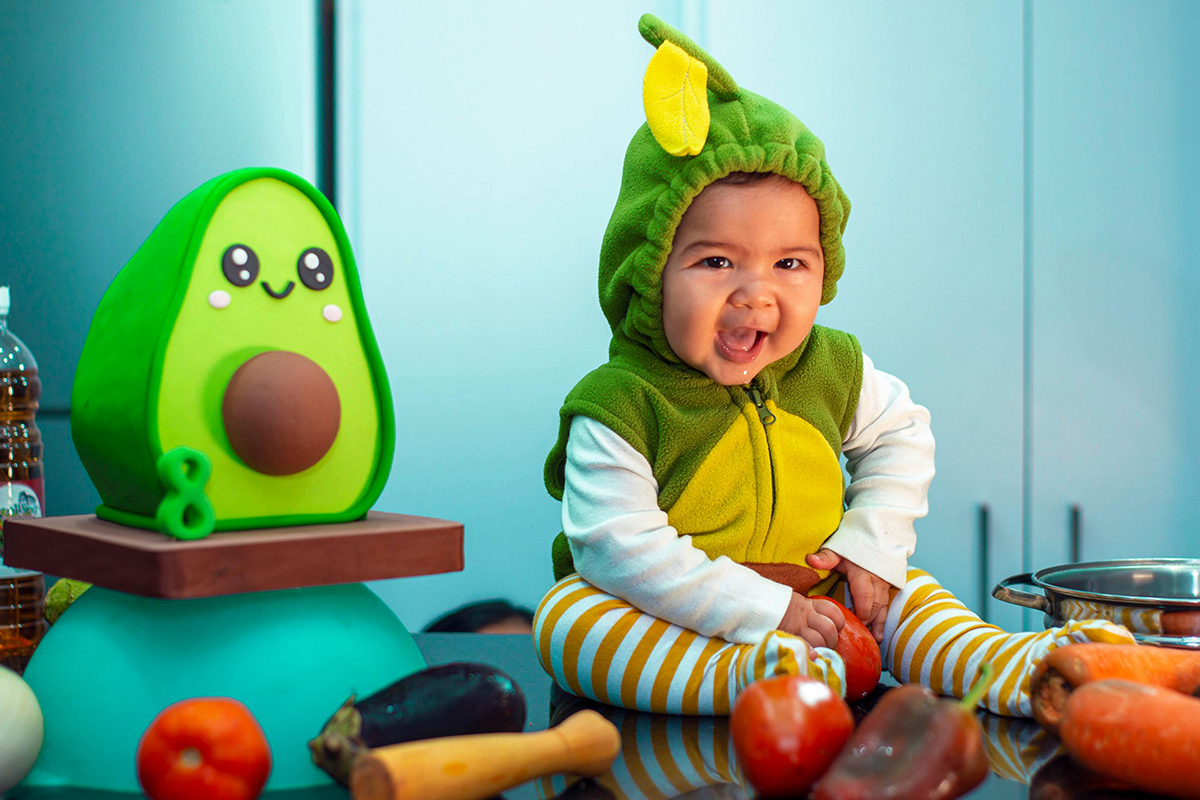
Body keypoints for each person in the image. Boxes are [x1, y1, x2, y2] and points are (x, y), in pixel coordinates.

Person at [533, 14, 1134, 718]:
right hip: (675, 618)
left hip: (822, 603)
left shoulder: (832, 367)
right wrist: (764, 611)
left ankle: (1024, 667)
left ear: (824, 272)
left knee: (916, 594)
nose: (755, 292)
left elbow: (902, 434)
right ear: (648, 271)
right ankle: (748, 681)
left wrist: (870, 545)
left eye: (790, 263)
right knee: (571, 617)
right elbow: (619, 550)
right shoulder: (620, 404)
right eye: (716, 260)